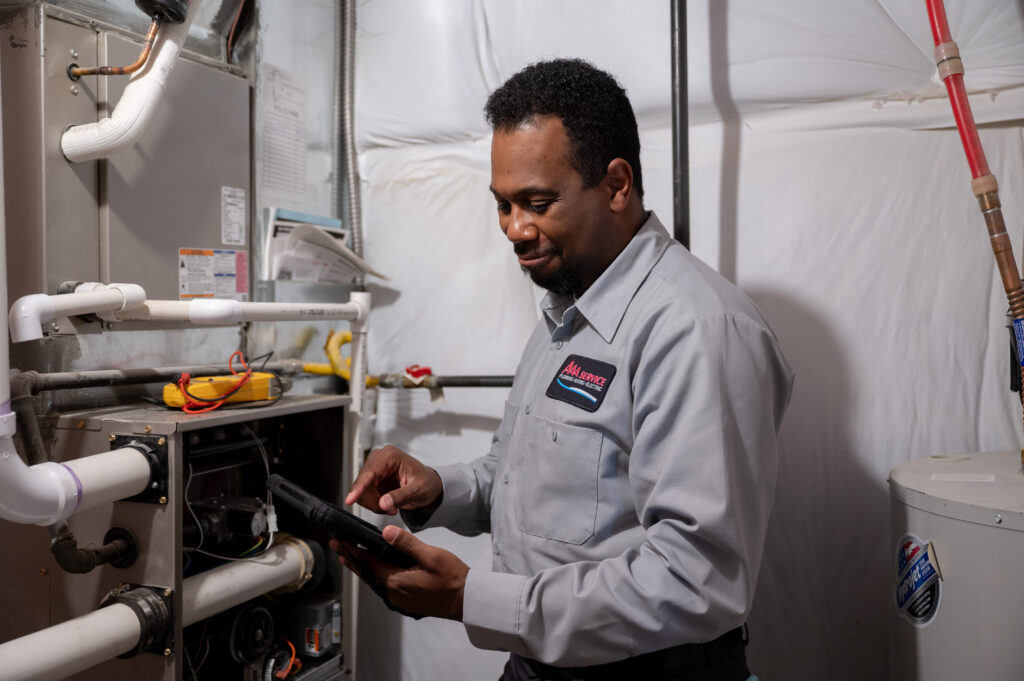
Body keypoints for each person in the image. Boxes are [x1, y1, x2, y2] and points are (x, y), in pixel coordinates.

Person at [332, 58, 794, 681]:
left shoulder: (697, 332)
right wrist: (440, 489)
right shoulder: (569, 309)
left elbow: (697, 580)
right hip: (542, 663)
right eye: (502, 205)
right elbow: (523, 477)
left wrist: (470, 598)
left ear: (616, 184)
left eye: (537, 203)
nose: (515, 230)